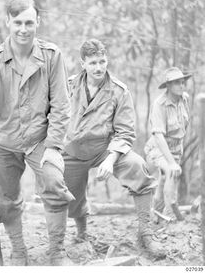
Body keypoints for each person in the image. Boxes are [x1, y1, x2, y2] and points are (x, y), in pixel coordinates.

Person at [0, 0, 74, 266]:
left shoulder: (51, 56)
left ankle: (57, 251)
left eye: (28, 22)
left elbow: (61, 105)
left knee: (54, 184)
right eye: (17, 23)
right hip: (3, 141)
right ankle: (18, 250)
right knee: (6, 199)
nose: (23, 29)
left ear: (38, 22)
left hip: (40, 140)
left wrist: (53, 147)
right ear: (7, 23)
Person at [63, 39, 165, 259]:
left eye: (102, 61)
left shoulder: (119, 91)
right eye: (93, 63)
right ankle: (81, 232)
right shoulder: (68, 85)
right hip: (72, 148)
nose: (99, 67)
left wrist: (110, 159)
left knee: (137, 167)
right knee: (69, 193)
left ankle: (145, 233)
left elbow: (125, 131)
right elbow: (52, 116)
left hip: (105, 148)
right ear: (83, 64)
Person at [144, 67, 191, 221]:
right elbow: (158, 136)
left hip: (176, 149)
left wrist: (176, 154)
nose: (181, 85)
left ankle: (155, 217)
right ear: (168, 86)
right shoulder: (160, 104)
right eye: (176, 83)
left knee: (165, 179)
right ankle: (170, 212)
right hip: (158, 147)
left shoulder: (185, 99)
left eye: (182, 82)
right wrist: (171, 162)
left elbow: (184, 126)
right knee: (170, 172)